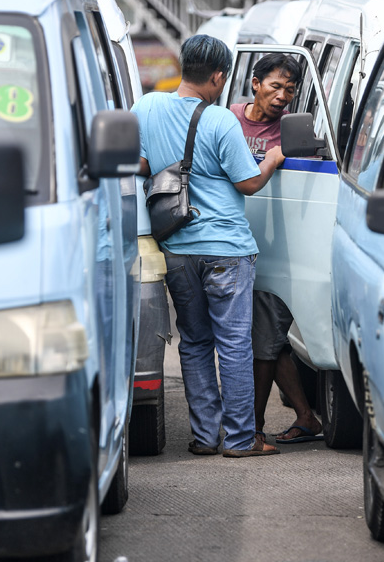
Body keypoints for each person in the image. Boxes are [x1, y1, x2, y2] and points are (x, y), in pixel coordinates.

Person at [131, 35, 284, 458]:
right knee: (234, 344)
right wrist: (272, 158)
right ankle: (239, 439)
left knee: (195, 341)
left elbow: (140, 164)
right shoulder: (220, 120)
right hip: (227, 250)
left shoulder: (147, 106)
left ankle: (204, 437)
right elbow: (247, 182)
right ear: (218, 77)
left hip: (177, 247)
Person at [230, 53, 323, 445]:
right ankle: (306, 416)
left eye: (290, 89)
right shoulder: (229, 119)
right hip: (233, 242)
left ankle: (252, 429)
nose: (282, 95)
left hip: (276, 250)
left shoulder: (292, 133)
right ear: (255, 84)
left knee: (264, 342)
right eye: (275, 86)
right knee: (269, 341)